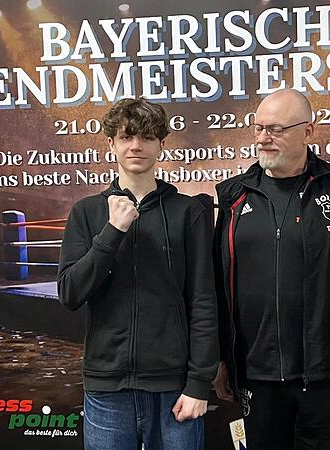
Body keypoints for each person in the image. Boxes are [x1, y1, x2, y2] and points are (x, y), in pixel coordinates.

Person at [212, 88, 330, 450]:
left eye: (275, 129)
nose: (262, 138)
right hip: (257, 377)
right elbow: (217, 287)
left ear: (308, 131)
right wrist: (221, 359)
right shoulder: (232, 197)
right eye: (258, 128)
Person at [57, 98, 218, 450]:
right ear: (110, 143)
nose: (136, 146)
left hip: (174, 387)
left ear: (162, 143)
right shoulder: (87, 213)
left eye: (146, 137)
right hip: (107, 388)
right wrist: (113, 231)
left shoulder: (187, 213)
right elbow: (70, 293)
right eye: (126, 137)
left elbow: (204, 301)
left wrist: (198, 384)